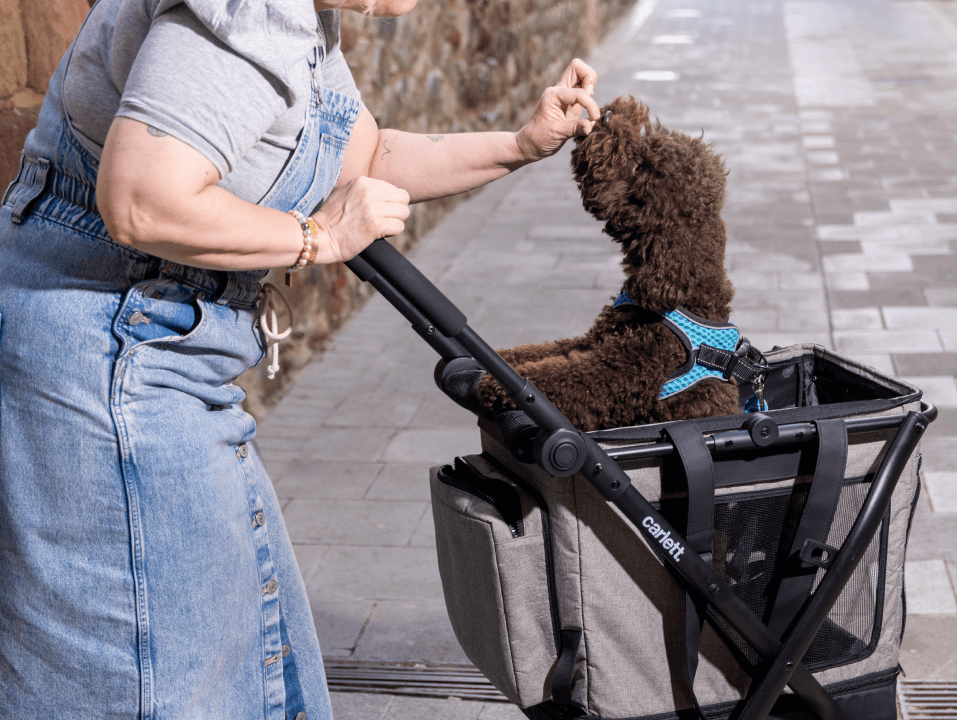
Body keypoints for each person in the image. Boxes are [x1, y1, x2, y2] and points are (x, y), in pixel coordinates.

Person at [0, 0, 600, 716]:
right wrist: (316, 237)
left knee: (246, 657)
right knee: (155, 682)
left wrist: (521, 142)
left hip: (158, 354)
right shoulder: (252, 11)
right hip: (113, 361)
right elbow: (141, 199)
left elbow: (366, 158)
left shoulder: (302, 19)